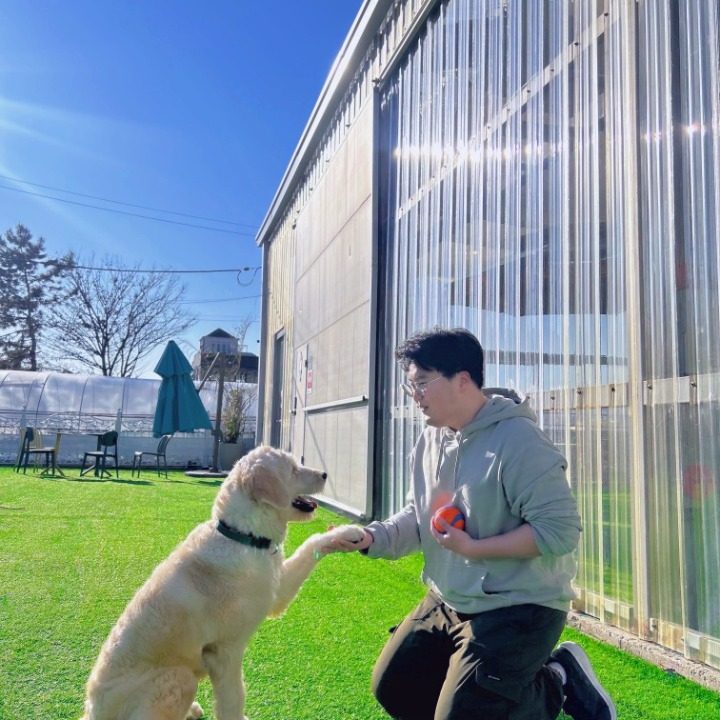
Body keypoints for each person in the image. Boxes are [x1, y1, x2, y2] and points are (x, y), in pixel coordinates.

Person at [328, 327, 616, 720]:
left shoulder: (518, 441)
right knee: (394, 687)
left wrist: (474, 549)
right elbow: (420, 515)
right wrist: (369, 538)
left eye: (423, 384)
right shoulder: (430, 440)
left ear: (463, 380)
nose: (415, 396)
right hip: (450, 597)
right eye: (410, 385)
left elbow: (560, 531)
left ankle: (558, 679)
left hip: (520, 604)